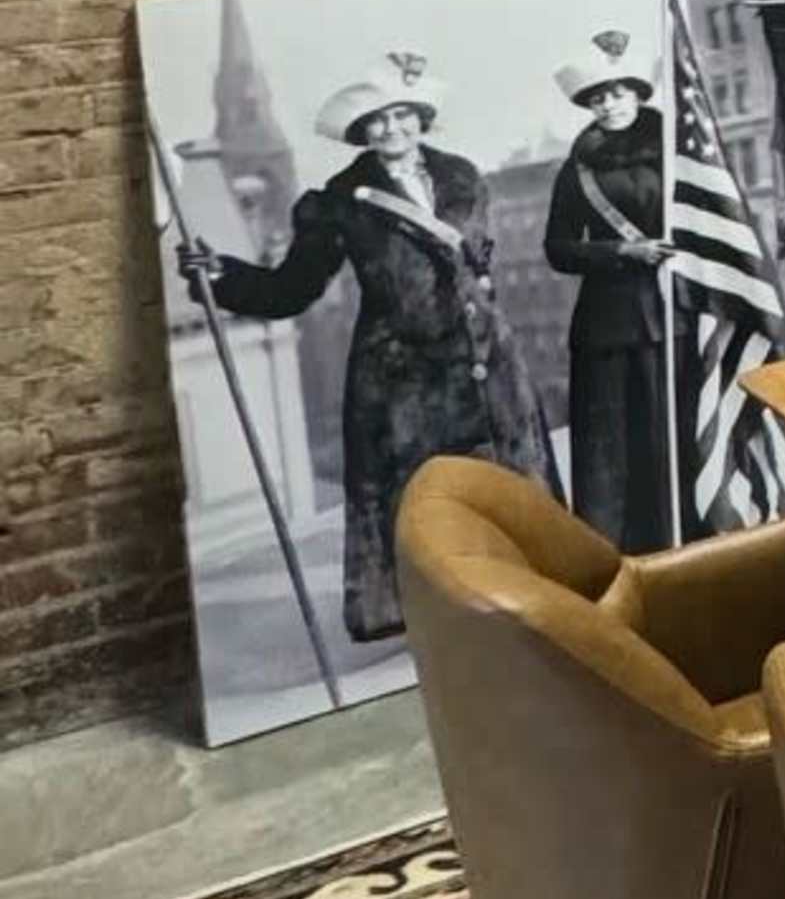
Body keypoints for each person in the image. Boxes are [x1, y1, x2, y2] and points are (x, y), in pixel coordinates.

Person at [177, 52, 552, 638]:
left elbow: (480, 264)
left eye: (402, 115)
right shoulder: (339, 203)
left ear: (421, 117)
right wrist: (220, 274)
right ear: (360, 130)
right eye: (376, 120)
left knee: (505, 489)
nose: (391, 129)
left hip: (488, 365)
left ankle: (522, 597)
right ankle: (445, 622)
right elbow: (290, 290)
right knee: (425, 506)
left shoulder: (463, 179)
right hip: (401, 383)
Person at [543, 33, 679, 551]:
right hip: (607, 325)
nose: (610, 104)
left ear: (638, 94)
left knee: (669, 434)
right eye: (599, 97)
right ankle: (618, 554)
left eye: (620, 93)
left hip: (674, 313)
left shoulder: (676, 151)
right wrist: (621, 253)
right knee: (611, 451)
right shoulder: (576, 171)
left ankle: (682, 537)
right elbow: (557, 249)